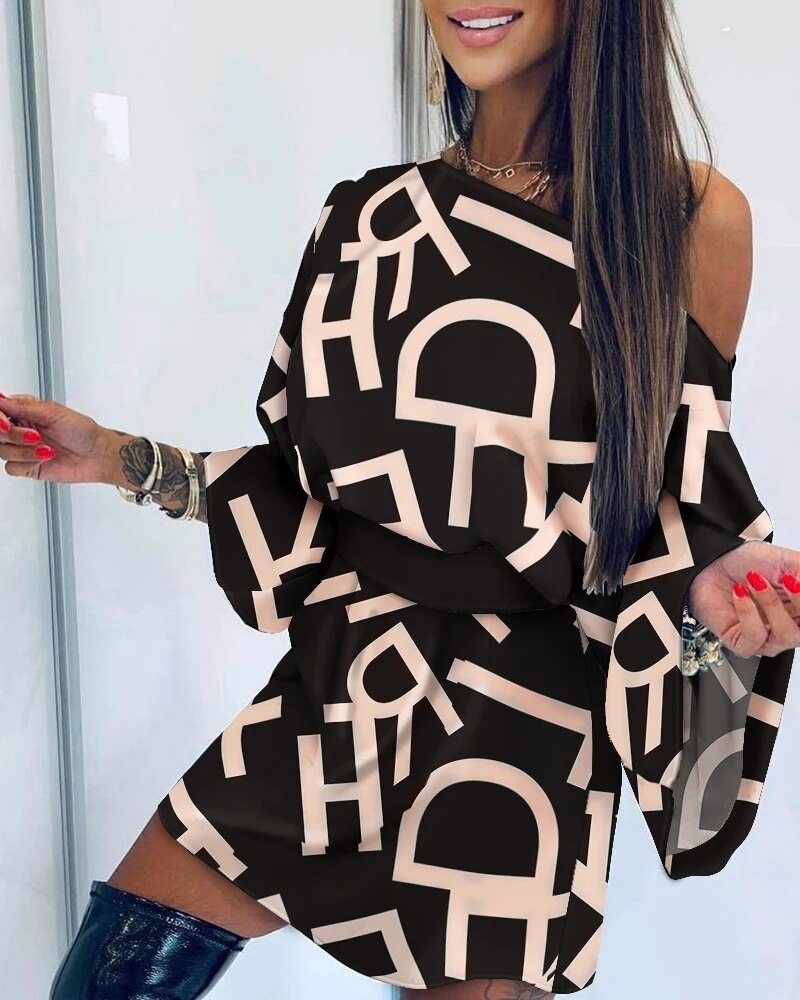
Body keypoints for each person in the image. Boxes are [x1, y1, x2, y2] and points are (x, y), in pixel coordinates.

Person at [3, 2, 799, 997]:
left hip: (519, 736)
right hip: (343, 683)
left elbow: (676, 512)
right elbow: (316, 497)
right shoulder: (369, 215)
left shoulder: (686, 219)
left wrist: (708, 616)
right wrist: (120, 458)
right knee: (109, 974)